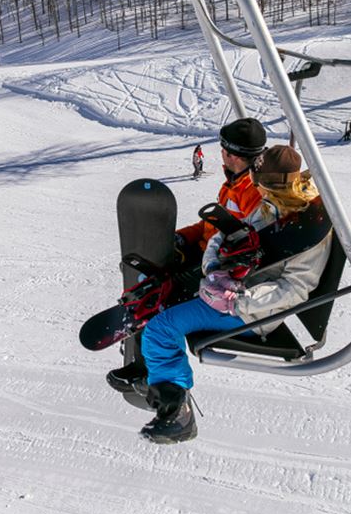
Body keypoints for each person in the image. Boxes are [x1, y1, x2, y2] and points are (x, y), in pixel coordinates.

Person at [133, 145, 332, 444]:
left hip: (254, 313)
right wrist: (214, 266)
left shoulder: (307, 226)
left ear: (276, 184)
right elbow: (224, 235)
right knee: (163, 296)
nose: (258, 192)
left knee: (160, 330)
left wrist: (237, 299)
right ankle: (154, 374)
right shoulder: (271, 205)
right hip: (229, 291)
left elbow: (295, 289)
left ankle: (178, 415)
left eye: (261, 185)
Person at [175, 118, 266, 266]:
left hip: (215, 259)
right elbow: (211, 225)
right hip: (206, 249)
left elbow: (249, 243)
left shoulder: (252, 191)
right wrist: (183, 236)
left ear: (233, 155)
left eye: (223, 149)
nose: (221, 153)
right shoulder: (234, 183)